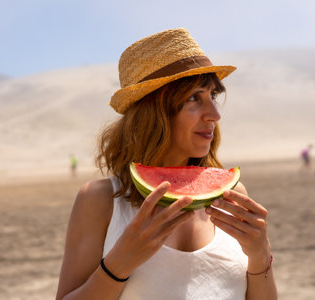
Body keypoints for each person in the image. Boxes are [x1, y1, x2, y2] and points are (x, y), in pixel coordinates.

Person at [56, 28, 277, 300]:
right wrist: (120, 262)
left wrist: (260, 255)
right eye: (194, 98)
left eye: (213, 96)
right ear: (154, 112)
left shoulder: (233, 196)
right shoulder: (100, 200)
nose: (214, 115)